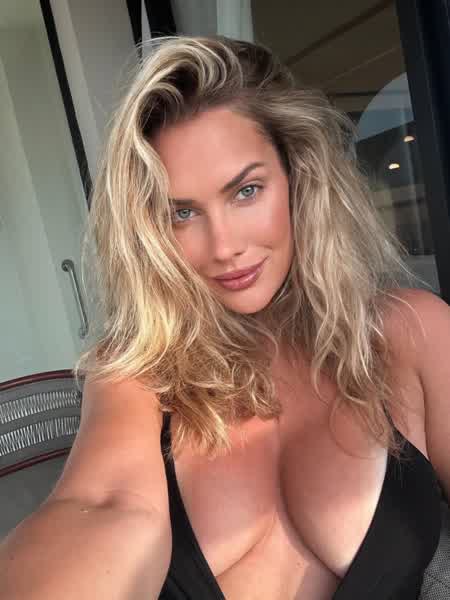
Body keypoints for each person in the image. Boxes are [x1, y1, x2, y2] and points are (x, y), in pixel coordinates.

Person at [1, 35, 450, 600]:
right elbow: (101, 505)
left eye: (246, 191)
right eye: (183, 213)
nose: (224, 247)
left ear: (298, 177)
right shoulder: (137, 374)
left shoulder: (413, 332)